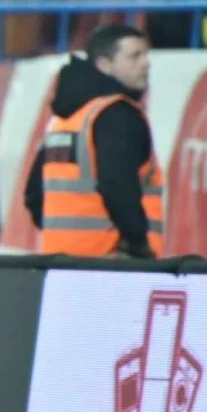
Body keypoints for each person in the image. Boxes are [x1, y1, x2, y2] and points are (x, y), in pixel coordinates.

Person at [24, 24, 163, 259]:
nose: (146, 63)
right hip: (109, 263)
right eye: (134, 56)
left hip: (59, 262)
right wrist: (138, 246)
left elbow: (33, 195)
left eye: (146, 55)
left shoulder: (66, 118)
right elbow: (117, 185)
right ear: (104, 65)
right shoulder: (118, 115)